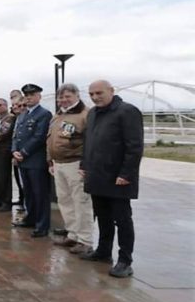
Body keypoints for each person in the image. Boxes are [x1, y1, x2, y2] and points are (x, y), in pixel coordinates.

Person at [79, 80, 143, 278]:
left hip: (118, 177)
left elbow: (134, 146)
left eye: (99, 93)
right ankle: (104, 251)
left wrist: (126, 174)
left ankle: (125, 260)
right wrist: (84, 164)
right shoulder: (93, 113)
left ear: (111, 91)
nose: (95, 97)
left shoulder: (127, 111)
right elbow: (89, 142)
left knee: (122, 220)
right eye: (91, 94)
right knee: (103, 216)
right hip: (97, 176)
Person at [47, 83, 92, 255]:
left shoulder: (85, 115)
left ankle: (85, 240)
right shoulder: (58, 115)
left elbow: (90, 142)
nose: (63, 100)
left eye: (67, 97)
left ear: (76, 96)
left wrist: (85, 164)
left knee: (80, 202)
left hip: (75, 164)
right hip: (58, 163)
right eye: (60, 97)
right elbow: (50, 139)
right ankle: (72, 234)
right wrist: (49, 160)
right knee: (64, 200)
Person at [11, 84, 53, 238]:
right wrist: (14, 151)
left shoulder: (44, 114)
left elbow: (40, 136)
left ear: (39, 96)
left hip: (35, 161)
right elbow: (16, 135)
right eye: (26, 95)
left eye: (32, 95)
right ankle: (31, 218)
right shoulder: (22, 115)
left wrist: (23, 152)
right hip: (22, 161)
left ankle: (42, 225)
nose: (29, 97)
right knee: (28, 192)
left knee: (40, 193)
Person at [9, 95, 26, 208]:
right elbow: (14, 137)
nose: (16, 107)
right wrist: (14, 152)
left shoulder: (25, 118)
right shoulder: (17, 119)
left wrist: (22, 152)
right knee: (20, 182)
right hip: (16, 155)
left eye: (19, 105)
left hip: (25, 155)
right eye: (14, 105)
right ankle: (23, 202)